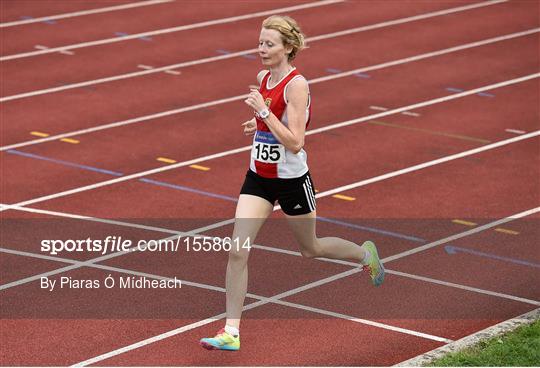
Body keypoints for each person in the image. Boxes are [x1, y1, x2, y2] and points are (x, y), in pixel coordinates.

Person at [200, 15, 384, 351]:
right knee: (237, 250)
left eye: (269, 44)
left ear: (288, 47)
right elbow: (270, 121)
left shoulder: (297, 86)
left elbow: (296, 141)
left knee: (309, 249)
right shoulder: (263, 77)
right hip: (258, 178)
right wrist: (256, 123)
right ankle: (231, 332)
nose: (261, 49)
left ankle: (364, 254)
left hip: (291, 180)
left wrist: (264, 114)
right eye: (259, 42)